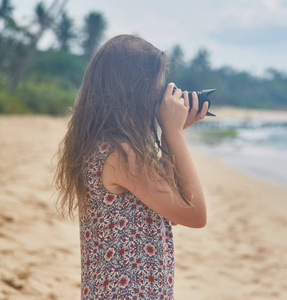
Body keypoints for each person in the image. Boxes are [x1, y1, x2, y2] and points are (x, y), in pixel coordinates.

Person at [55, 34, 208, 299]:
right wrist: (175, 133)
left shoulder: (101, 143)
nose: (160, 96)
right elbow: (195, 215)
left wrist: (167, 139)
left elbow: (169, 211)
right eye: (157, 87)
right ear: (136, 92)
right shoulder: (121, 155)